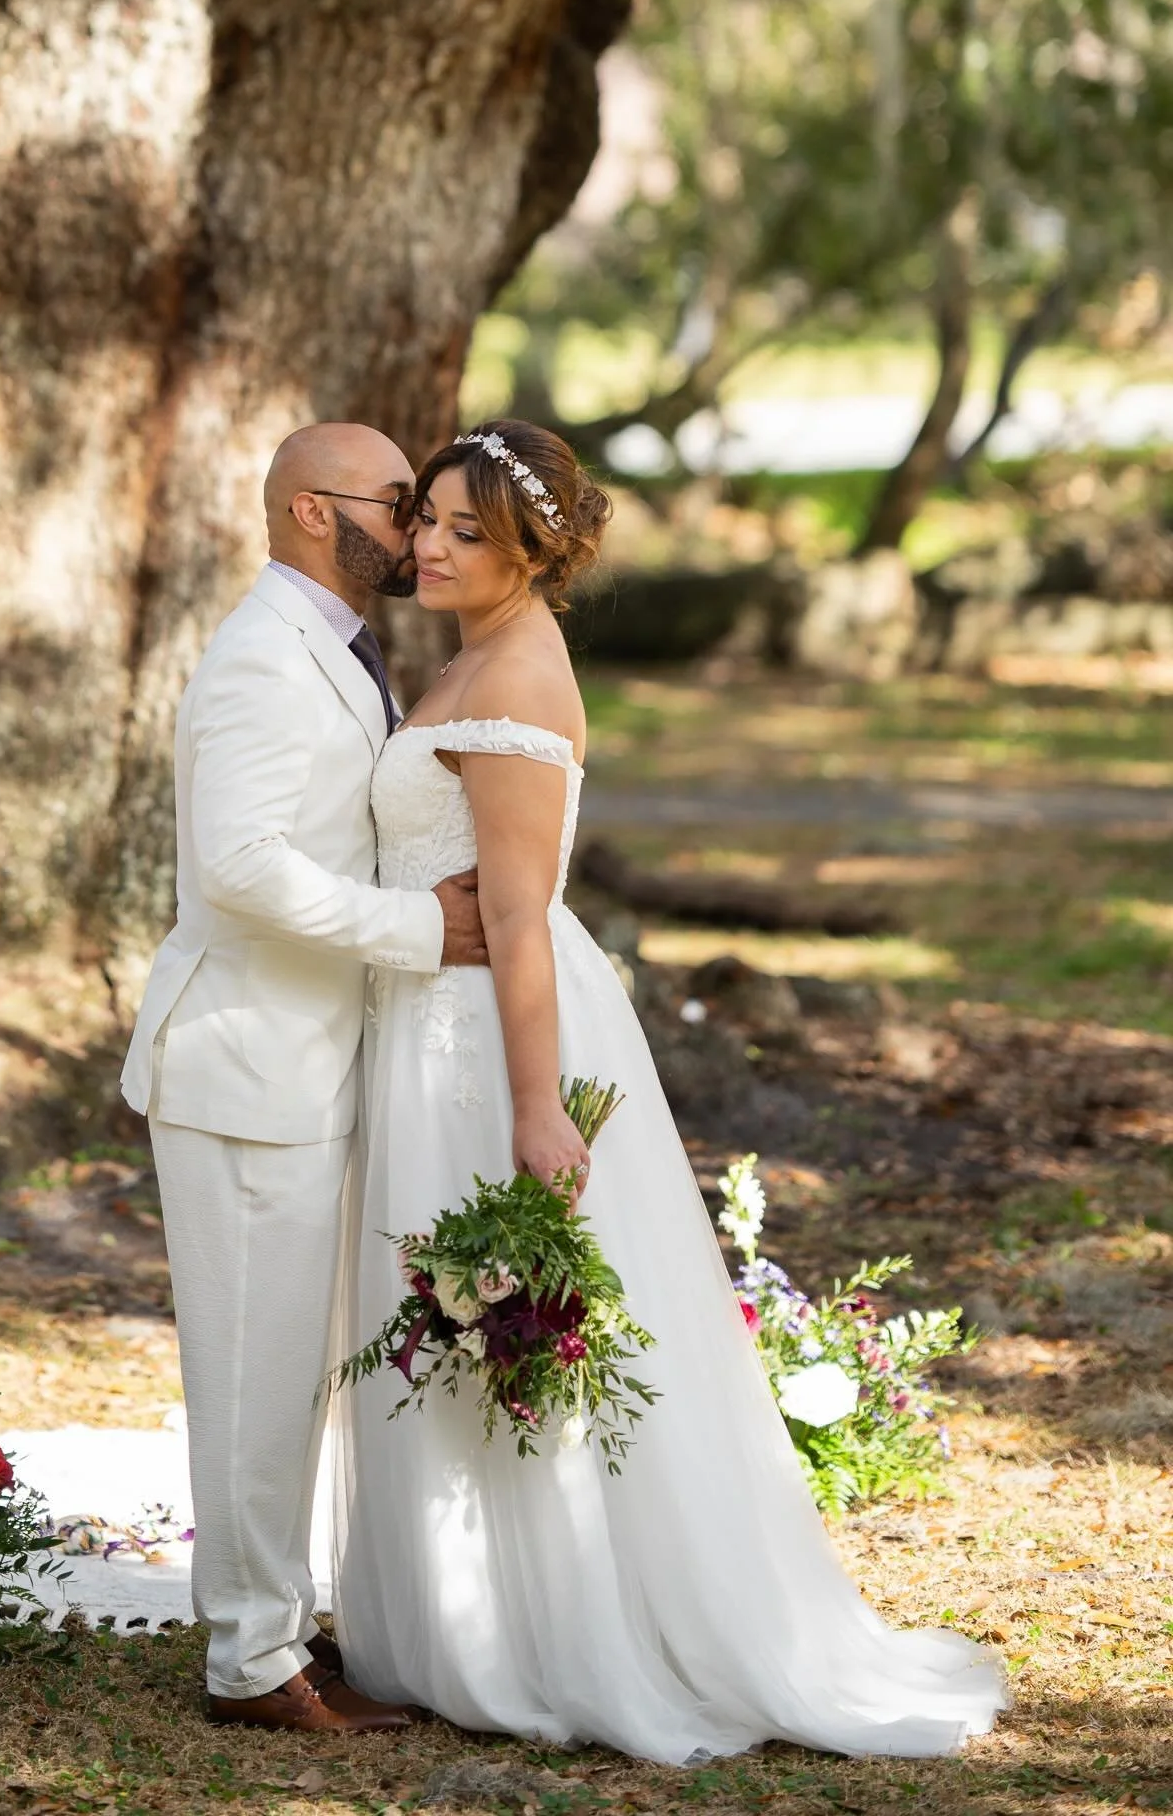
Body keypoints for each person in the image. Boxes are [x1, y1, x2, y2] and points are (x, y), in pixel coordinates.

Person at [332, 418, 1007, 1761]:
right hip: (432, 1016)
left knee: (508, 1319)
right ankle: (470, 1608)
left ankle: (553, 1628)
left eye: (468, 531)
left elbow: (518, 919)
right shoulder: (476, 650)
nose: (431, 548)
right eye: (429, 520)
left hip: (491, 1037)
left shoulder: (517, 681)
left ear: (537, 552)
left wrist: (535, 1109)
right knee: (456, 1318)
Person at [120, 421, 489, 1736]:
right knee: (250, 1375)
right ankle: (247, 1663)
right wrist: (417, 929)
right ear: (312, 511)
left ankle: (277, 1619)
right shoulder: (261, 658)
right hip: (243, 1064)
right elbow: (239, 865)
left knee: (296, 1372)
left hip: (308, 1058)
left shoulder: (334, 645)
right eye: (396, 502)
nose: (417, 525)